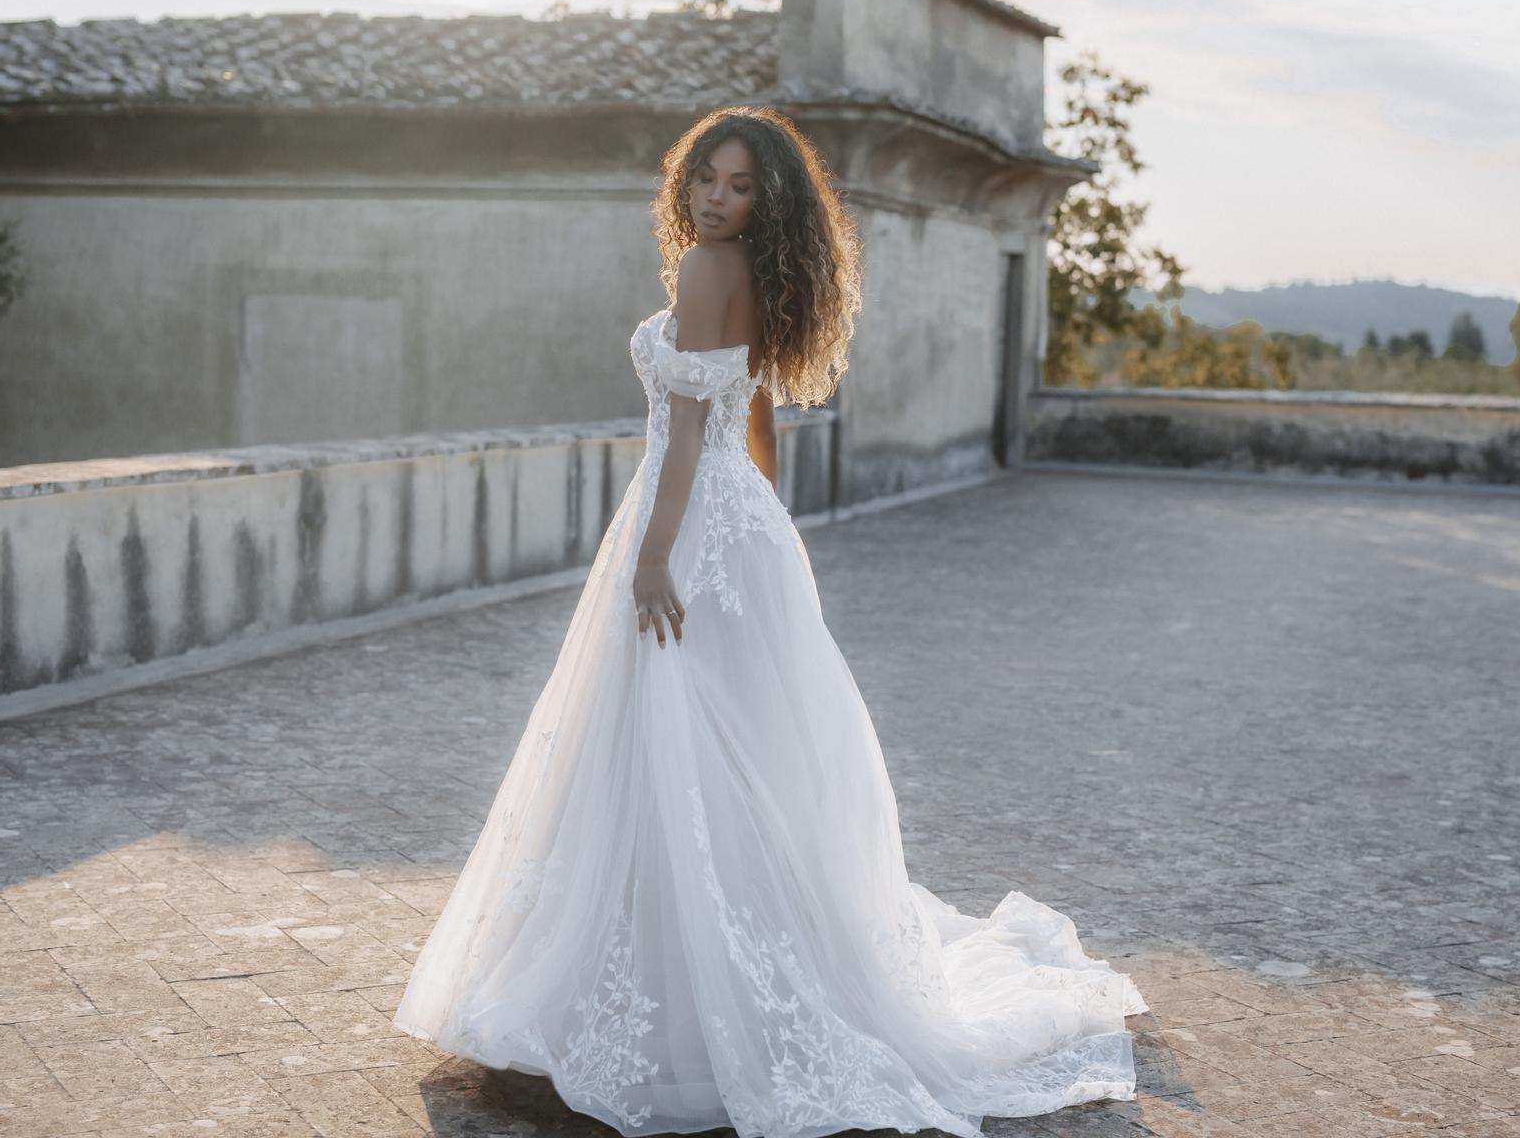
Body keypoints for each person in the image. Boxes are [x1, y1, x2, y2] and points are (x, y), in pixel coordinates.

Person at [394, 105, 1148, 1138]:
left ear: (767, 201)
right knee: (726, 753)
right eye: (706, 175)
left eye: (739, 185)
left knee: (675, 748)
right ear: (686, 178)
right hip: (733, 524)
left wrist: (659, 555)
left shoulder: (710, 271)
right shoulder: (739, 268)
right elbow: (751, 418)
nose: (715, 196)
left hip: (685, 522)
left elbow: (693, 429)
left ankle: (664, 1004)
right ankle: (681, 984)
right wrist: (762, 527)